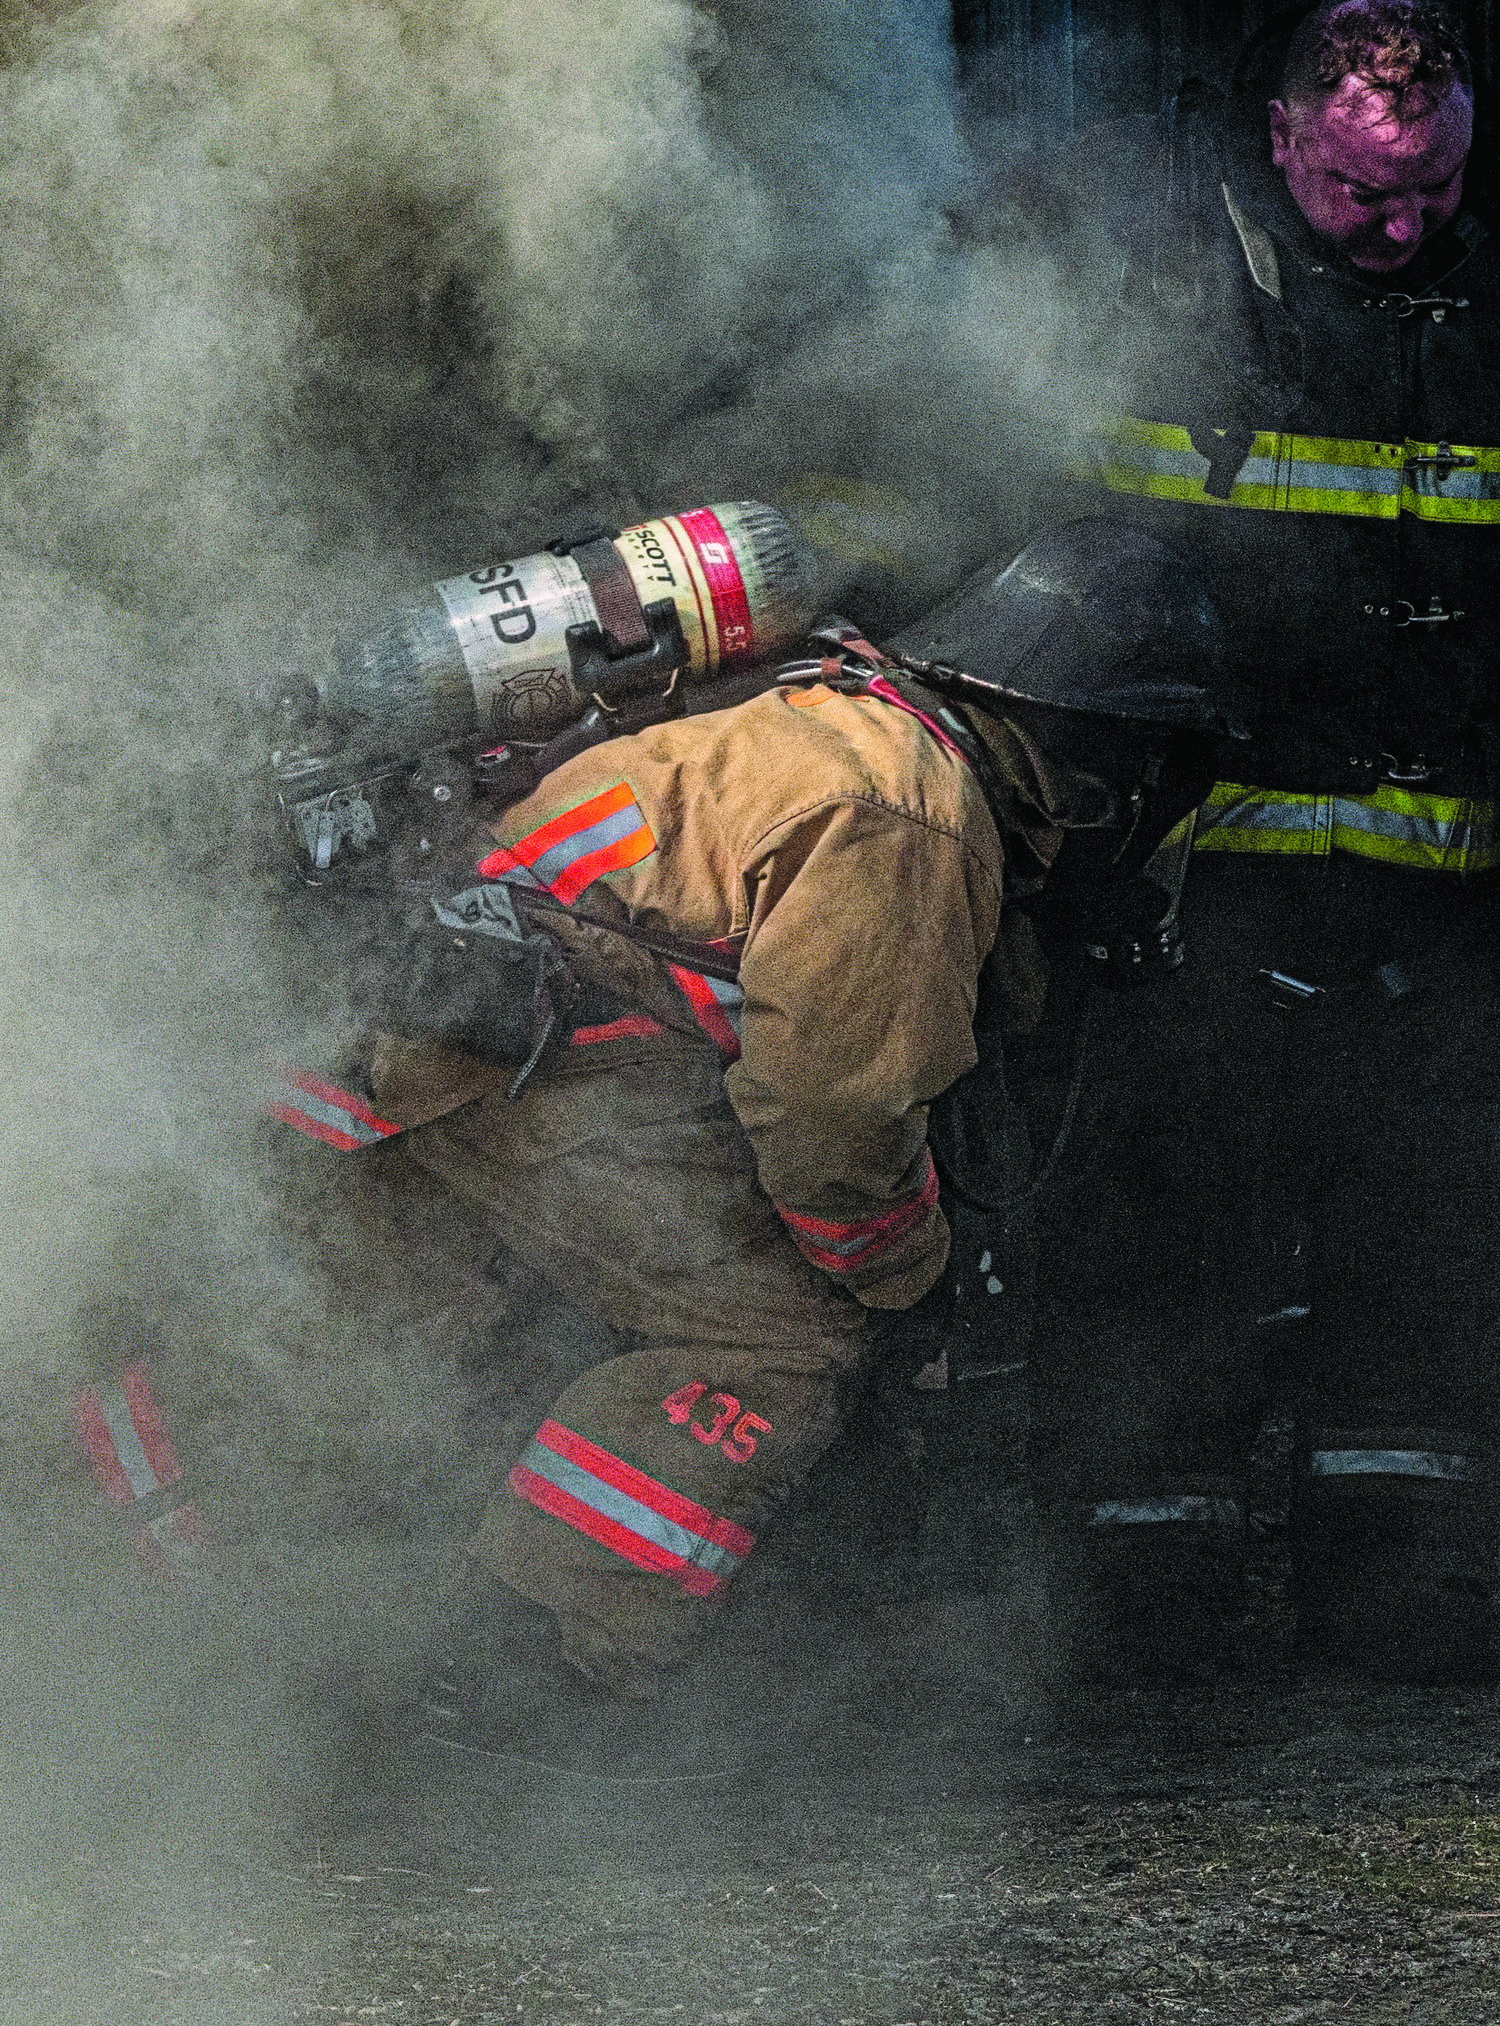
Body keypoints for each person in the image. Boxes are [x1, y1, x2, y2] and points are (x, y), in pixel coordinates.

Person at [288, 519, 1234, 1773]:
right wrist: (909, 1280)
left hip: (402, 1048)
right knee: (781, 1336)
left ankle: (147, 1568)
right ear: (1106, 762)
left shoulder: (824, 698)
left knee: (351, 1325)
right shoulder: (910, 811)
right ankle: (532, 1672)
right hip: (517, 1069)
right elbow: (836, 1119)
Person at [1020, 0, 1500, 1683]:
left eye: (1436, 189)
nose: (1403, 223)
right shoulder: (1162, 292)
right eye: (1368, 189)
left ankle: (1401, 1585)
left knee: (1427, 1228)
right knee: (1165, 1215)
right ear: (1287, 133)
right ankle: (1147, 1592)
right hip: (1196, 884)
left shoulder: (1478, 295)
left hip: (1440, 889)